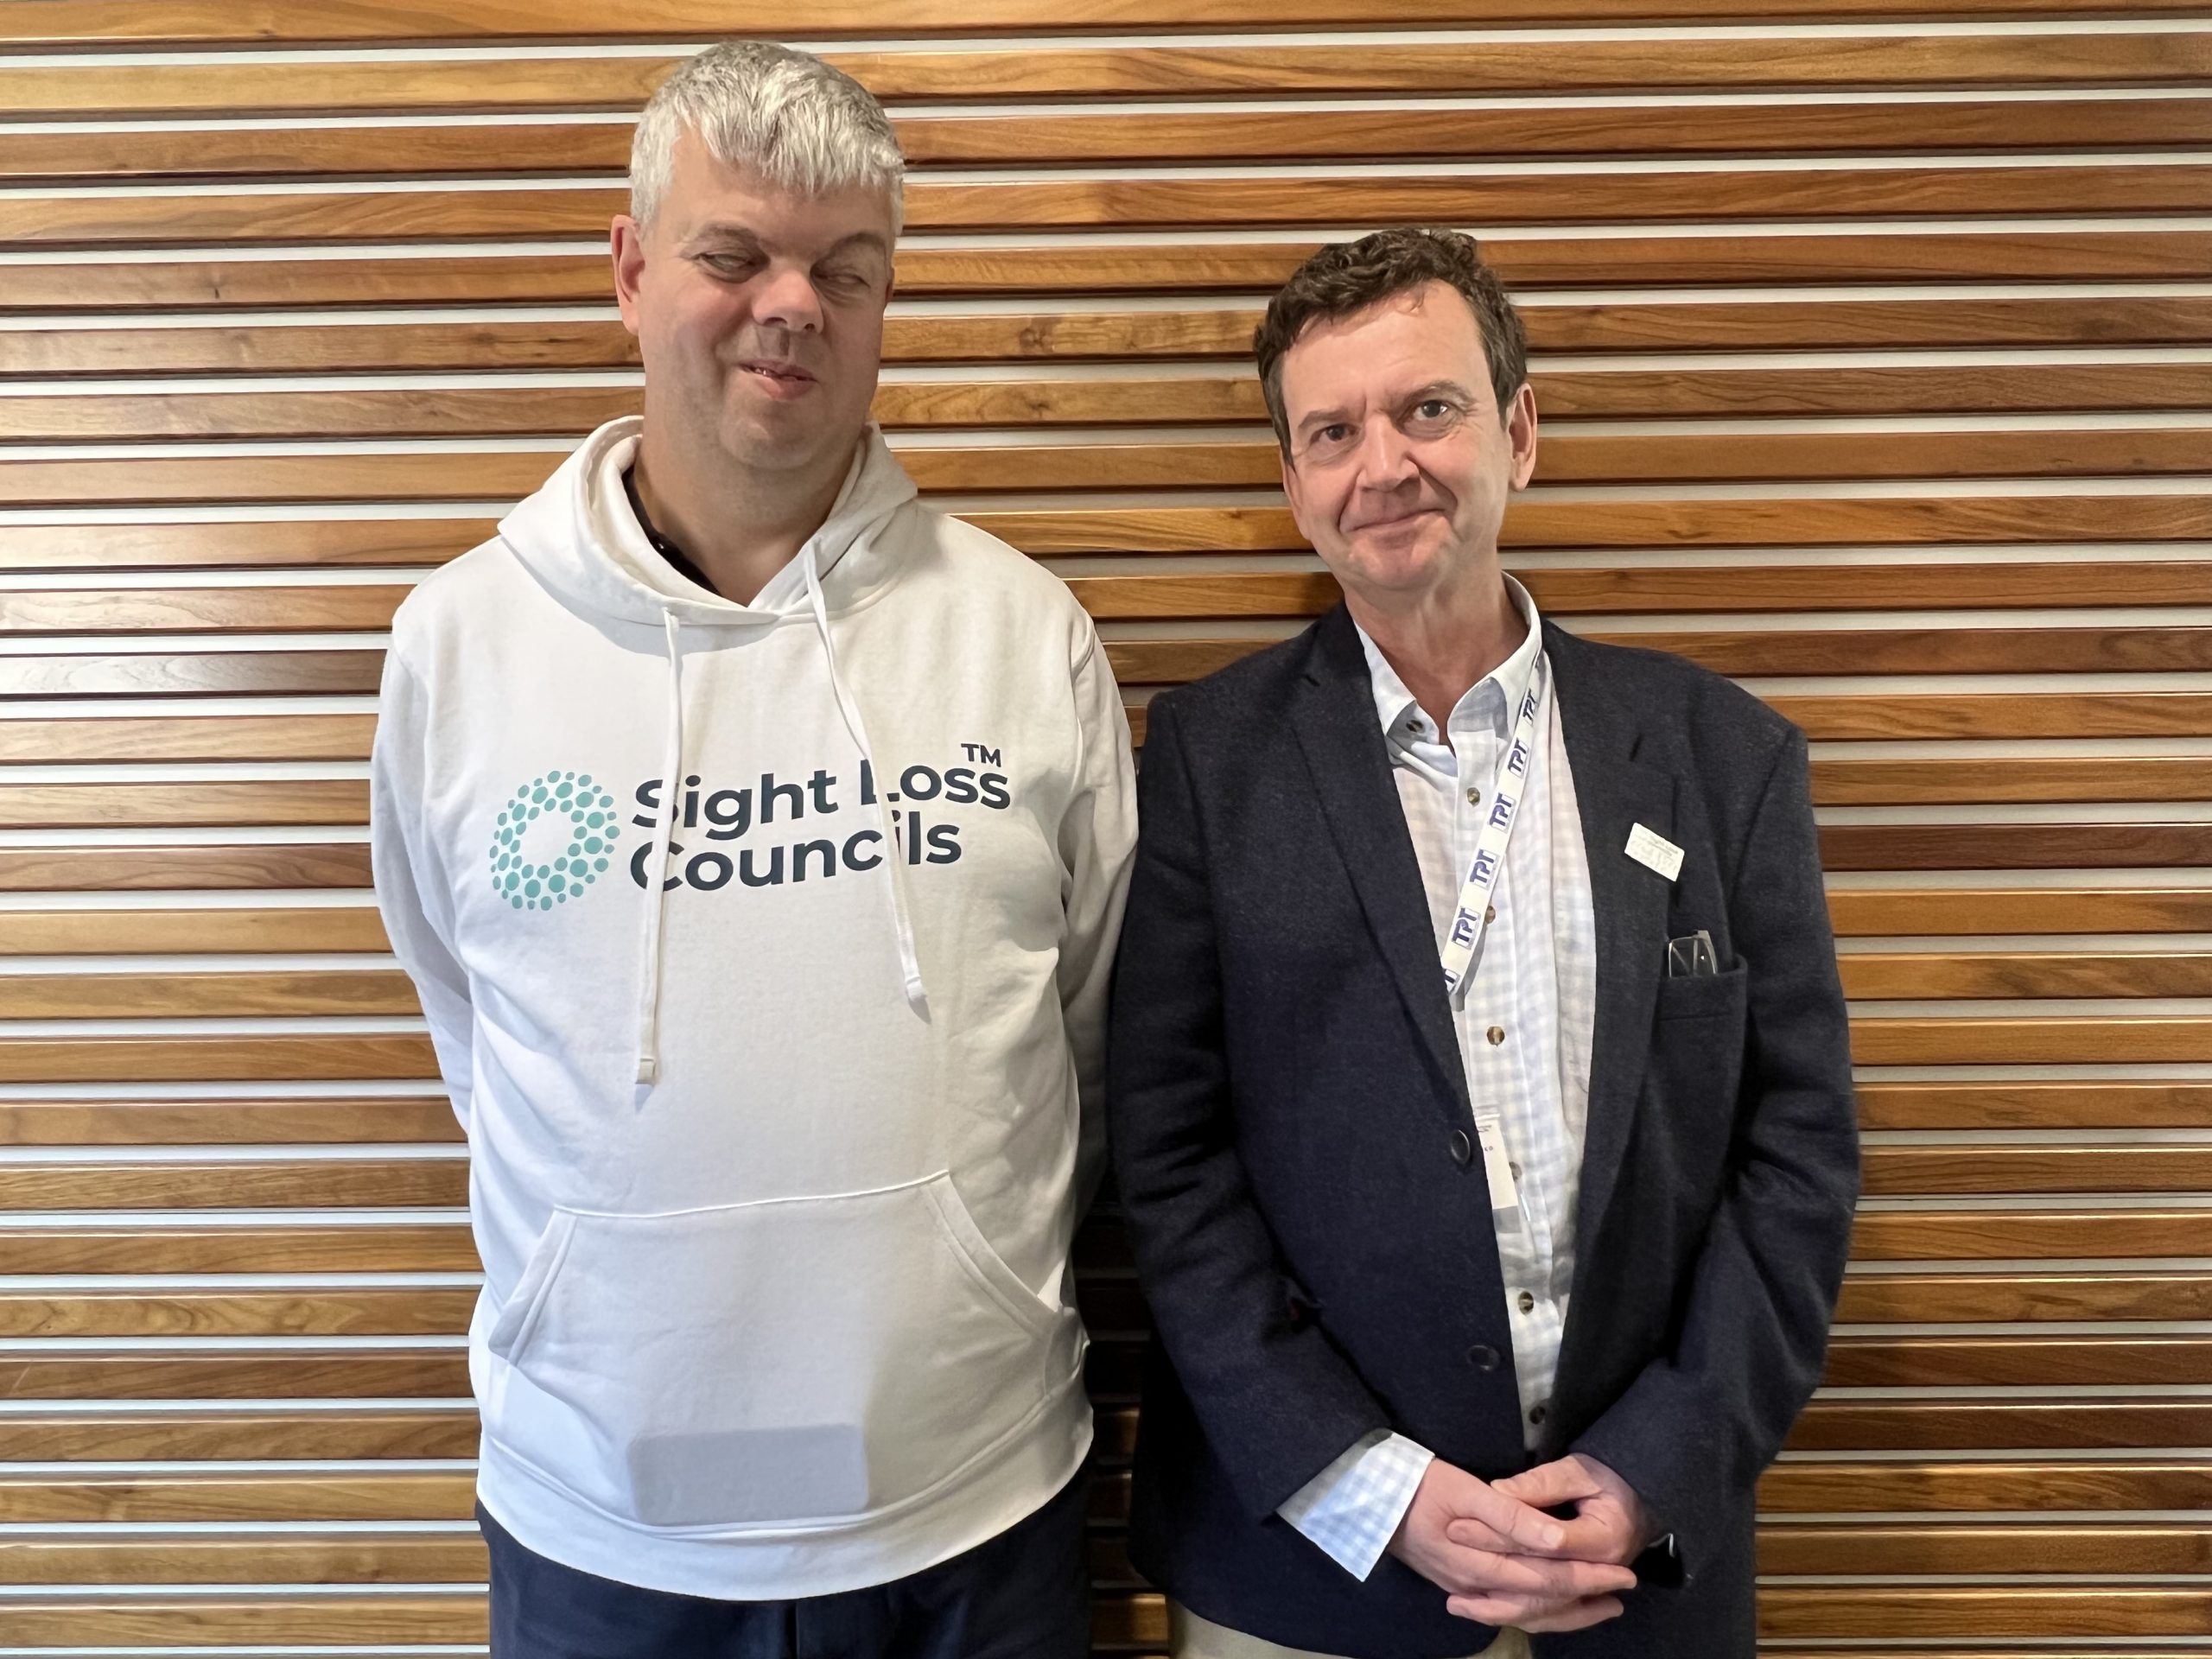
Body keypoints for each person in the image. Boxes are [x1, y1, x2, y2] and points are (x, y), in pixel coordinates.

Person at [370, 41, 1135, 1658]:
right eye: (734, 255)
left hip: (972, 1505)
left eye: (844, 270)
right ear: (631, 269)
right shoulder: (460, 645)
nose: (792, 305)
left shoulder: (1019, 632)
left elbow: (1083, 1032)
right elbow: (469, 1018)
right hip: (602, 1526)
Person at [1106, 227, 1859, 1659]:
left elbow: (1798, 1154)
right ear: (1293, 484)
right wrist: (1371, 1486)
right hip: (1314, 1572)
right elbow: (1171, 1162)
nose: (1382, 464)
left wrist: (1652, 1472)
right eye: (1332, 432)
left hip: (1635, 1573)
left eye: (1428, 409)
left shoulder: (1721, 757)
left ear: (1519, 431)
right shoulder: (1208, 763)